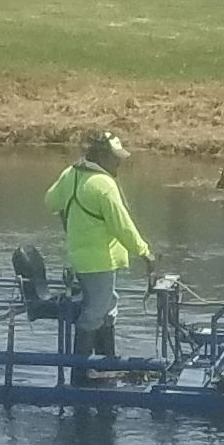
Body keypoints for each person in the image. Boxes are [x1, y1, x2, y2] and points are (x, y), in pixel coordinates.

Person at [44, 130, 154, 359]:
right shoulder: (103, 184)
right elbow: (122, 225)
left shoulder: (71, 174)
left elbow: (50, 201)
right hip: (100, 261)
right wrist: (144, 252)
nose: (119, 164)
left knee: (107, 307)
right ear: (101, 157)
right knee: (94, 313)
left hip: (80, 257)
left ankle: (106, 362)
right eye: (115, 159)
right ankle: (82, 372)